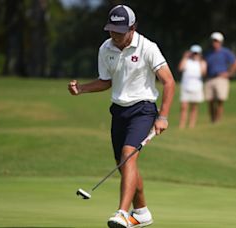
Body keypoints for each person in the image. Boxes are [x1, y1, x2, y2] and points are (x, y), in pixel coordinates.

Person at [67, 5, 175, 228]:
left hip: (143, 109)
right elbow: (106, 81)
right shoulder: (105, 48)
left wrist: (162, 116)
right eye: (111, 30)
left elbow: (169, 81)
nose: (114, 35)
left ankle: (122, 213)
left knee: (128, 156)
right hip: (119, 111)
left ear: (133, 27)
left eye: (119, 31)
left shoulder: (148, 47)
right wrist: (82, 89)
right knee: (124, 163)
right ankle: (142, 212)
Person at [204, 32, 236, 123]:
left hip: (221, 78)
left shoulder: (225, 52)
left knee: (220, 100)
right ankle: (212, 120)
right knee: (210, 101)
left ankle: (218, 120)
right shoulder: (208, 53)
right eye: (213, 41)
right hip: (210, 78)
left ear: (220, 42)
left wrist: (229, 73)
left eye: (216, 41)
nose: (214, 43)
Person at [178, 44, 207, 129]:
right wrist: (185, 57)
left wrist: (200, 61)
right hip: (186, 86)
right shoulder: (186, 61)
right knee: (184, 107)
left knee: (194, 107)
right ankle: (182, 124)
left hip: (197, 87)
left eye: (197, 53)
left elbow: (204, 73)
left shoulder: (202, 62)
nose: (195, 55)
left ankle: (192, 125)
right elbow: (180, 68)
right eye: (194, 53)